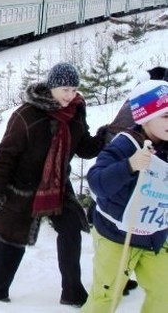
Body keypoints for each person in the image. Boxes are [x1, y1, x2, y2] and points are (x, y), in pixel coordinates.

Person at [0, 62, 106, 306]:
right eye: (65, 90)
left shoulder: (76, 111)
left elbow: (84, 148)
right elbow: (5, 156)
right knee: (14, 241)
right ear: (52, 87)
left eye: (74, 89)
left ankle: (72, 291)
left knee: (70, 231)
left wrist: (103, 138)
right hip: (22, 187)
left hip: (57, 185)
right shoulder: (26, 115)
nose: (70, 95)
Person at [81, 80, 168, 313]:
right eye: (166, 116)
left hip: (155, 236)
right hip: (116, 235)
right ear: (145, 118)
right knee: (106, 297)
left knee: (164, 294)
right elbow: (97, 182)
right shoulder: (125, 145)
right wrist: (129, 165)